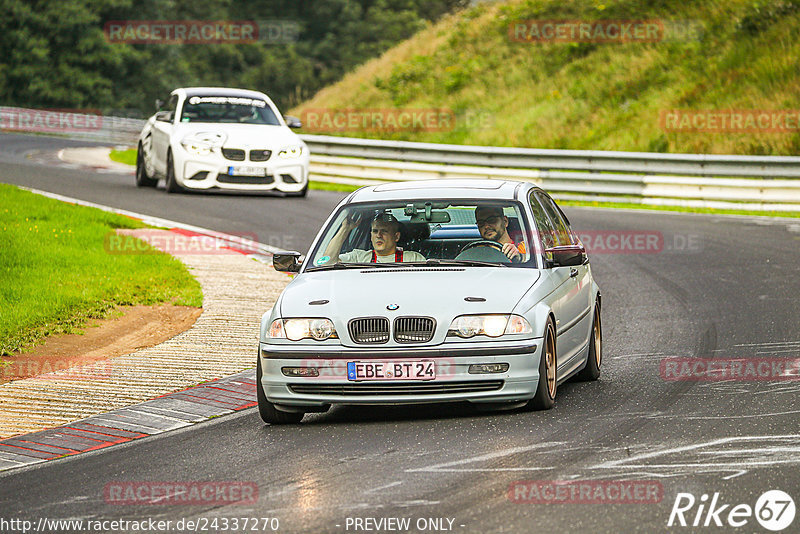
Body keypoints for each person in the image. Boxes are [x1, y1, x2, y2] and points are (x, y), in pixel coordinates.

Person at [322, 212, 425, 263]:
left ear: (396, 236)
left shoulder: (413, 258)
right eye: (375, 231)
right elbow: (327, 263)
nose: (378, 236)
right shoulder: (358, 257)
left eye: (384, 231)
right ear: (371, 235)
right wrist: (345, 228)